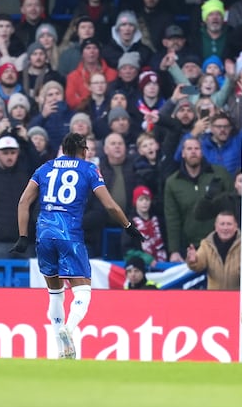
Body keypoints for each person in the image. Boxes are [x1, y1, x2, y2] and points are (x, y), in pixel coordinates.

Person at [12, 132, 144, 359]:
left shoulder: (45, 168)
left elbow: (24, 201)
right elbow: (110, 205)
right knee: (83, 291)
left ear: (63, 149)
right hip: (69, 234)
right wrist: (128, 225)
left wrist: (23, 236)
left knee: (55, 294)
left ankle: (61, 350)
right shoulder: (89, 169)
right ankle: (69, 329)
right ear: (84, 150)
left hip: (44, 234)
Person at [185, 211, 241, 290]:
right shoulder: (206, 244)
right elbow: (198, 265)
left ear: (236, 226)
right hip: (214, 296)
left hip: (240, 296)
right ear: (216, 226)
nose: (225, 228)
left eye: (229, 224)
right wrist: (193, 260)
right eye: (222, 224)